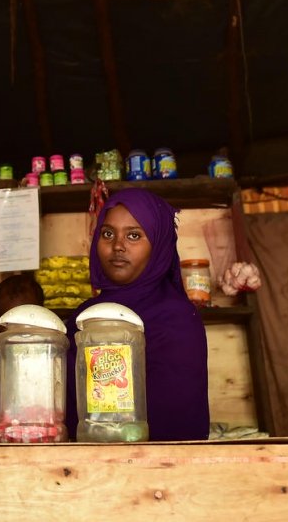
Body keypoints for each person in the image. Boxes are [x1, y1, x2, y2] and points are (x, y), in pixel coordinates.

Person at [64, 188, 210, 441]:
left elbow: (177, 425)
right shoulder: (84, 317)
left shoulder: (176, 320)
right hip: (76, 471)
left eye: (134, 235)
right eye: (107, 233)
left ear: (159, 246)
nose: (118, 246)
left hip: (155, 471)